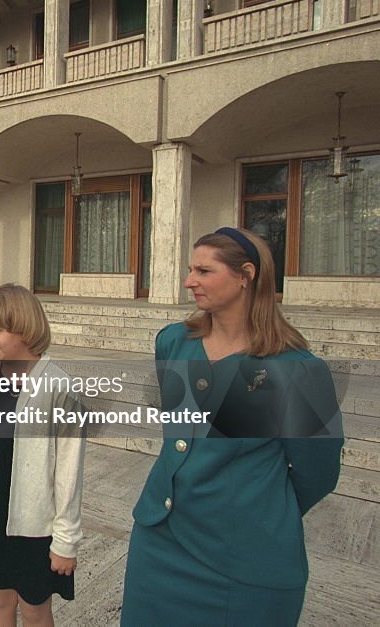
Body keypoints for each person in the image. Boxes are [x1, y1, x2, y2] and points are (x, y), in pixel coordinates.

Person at [121, 227, 344, 626]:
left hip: (244, 562)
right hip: (158, 544)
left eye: (204, 271)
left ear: (245, 275)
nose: (190, 281)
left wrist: (252, 507)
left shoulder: (297, 371)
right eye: (191, 270)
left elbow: (318, 475)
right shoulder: (173, 343)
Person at [0, 284, 85, 627]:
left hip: (35, 521)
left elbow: (69, 472)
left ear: (24, 328)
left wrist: (65, 540)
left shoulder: (59, 388)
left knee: (35, 608)